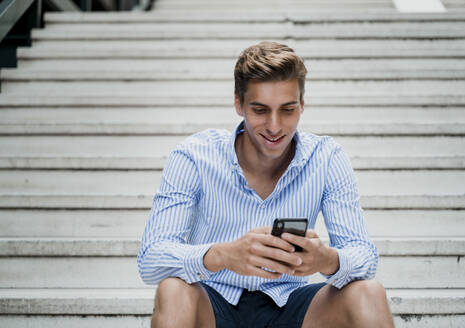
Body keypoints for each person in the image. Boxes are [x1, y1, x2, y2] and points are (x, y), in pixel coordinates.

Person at [137, 41, 395, 328]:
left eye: (287, 110)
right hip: (213, 303)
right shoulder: (194, 156)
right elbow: (151, 259)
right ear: (239, 103)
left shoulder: (327, 157)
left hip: (292, 306)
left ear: (302, 105)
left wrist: (326, 260)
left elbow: (364, 257)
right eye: (260, 110)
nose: (274, 126)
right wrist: (222, 255)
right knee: (172, 289)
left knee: (369, 293)